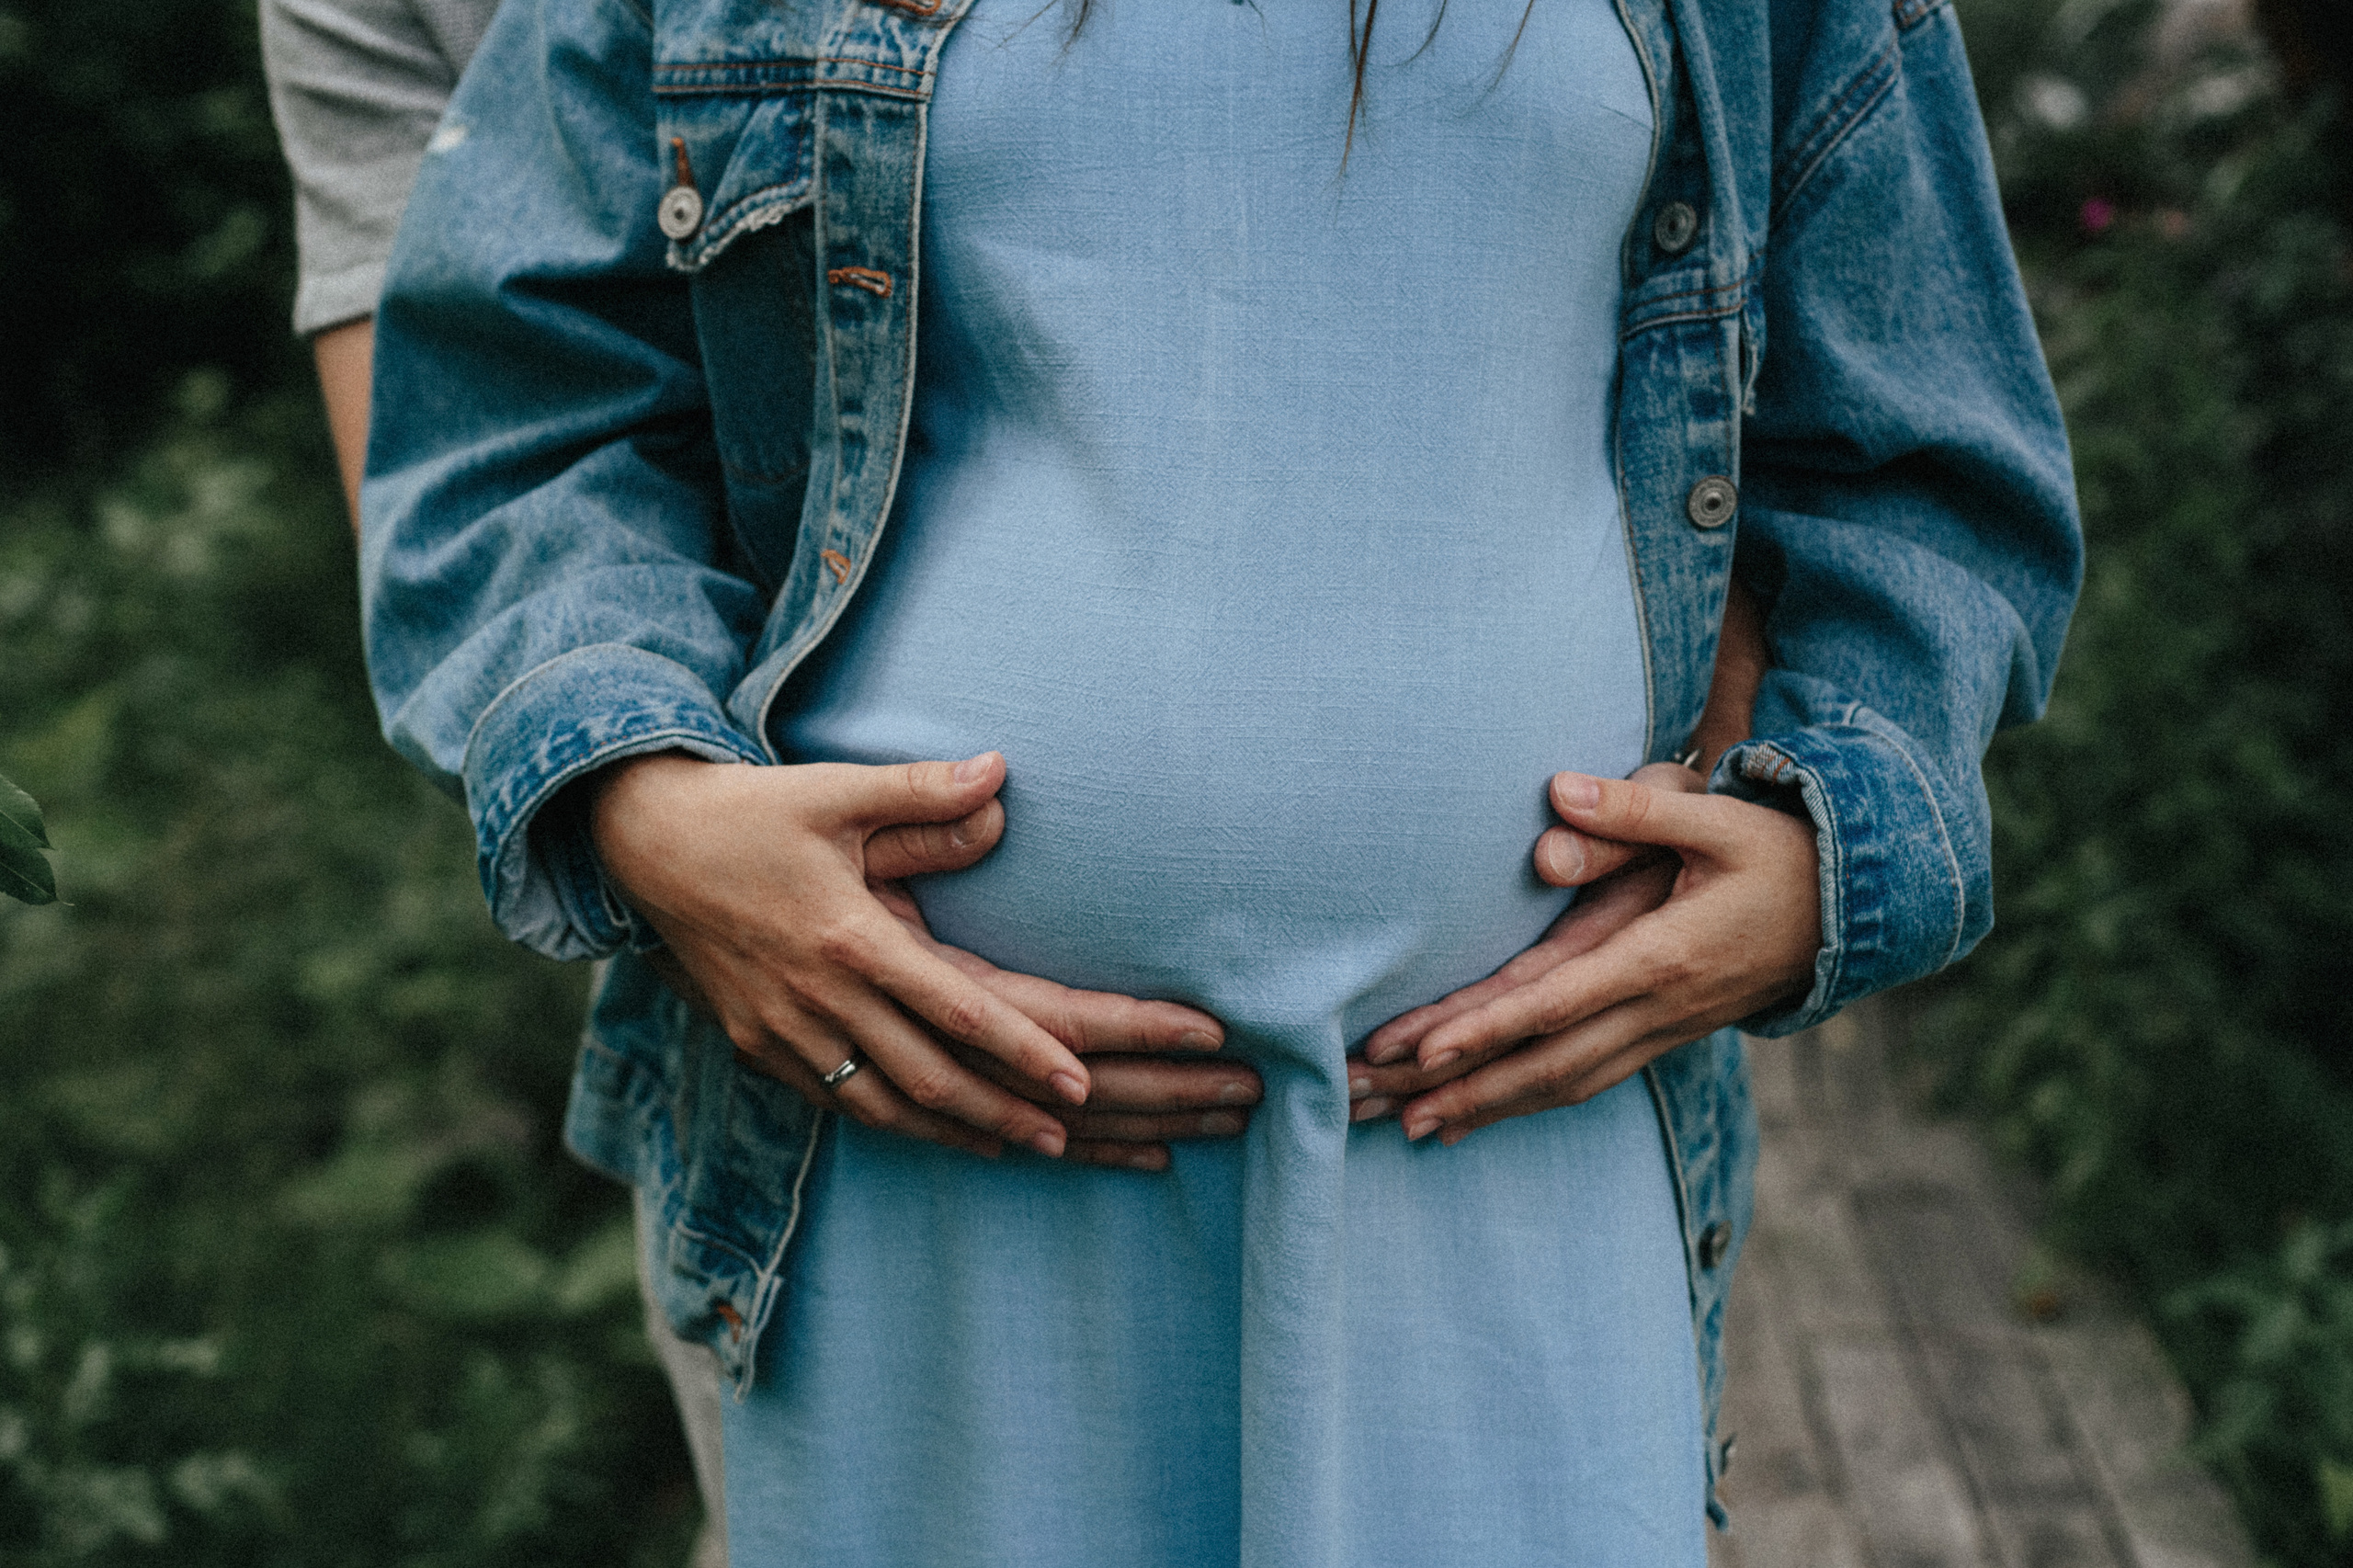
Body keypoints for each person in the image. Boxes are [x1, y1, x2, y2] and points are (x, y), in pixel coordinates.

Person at [359, 0, 2081, 1562]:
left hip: (1508, 1156)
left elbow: (1929, 469)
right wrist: (646, 806)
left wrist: (1819, 857)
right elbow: (518, 413)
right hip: (929, 1160)